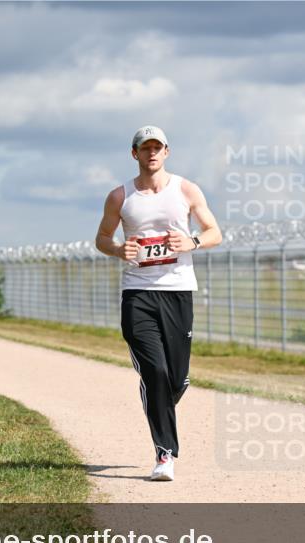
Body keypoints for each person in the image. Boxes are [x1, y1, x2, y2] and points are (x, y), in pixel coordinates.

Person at [95, 125, 222, 482]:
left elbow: (215, 231)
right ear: (134, 154)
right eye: (144, 147)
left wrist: (192, 243)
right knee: (156, 372)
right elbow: (102, 238)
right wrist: (119, 249)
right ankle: (165, 454)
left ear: (167, 152)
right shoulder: (120, 197)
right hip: (137, 293)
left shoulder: (185, 189)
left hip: (178, 291)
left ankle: (159, 397)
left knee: (176, 380)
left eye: (157, 147)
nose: (151, 153)